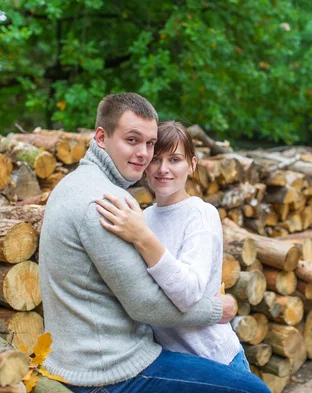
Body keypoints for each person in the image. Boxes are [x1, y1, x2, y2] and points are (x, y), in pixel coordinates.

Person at [39, 92, 270, 393]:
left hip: (91, 357)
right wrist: (218, 310)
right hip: (110, 368)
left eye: (149, 143)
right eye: (132, 140)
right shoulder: (108, 201)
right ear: (100, 137)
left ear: (192, 165)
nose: (144, 154)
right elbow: (146, 304)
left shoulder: (75, 185)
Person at [95, 121, 249, 371]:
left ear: (192, 165)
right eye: (156, 159)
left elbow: (188, 293)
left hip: (214, 358)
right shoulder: (141, 219)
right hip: (167, 363)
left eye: (175, 159)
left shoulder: (200, 214)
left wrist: (144, 239)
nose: (163, 169)